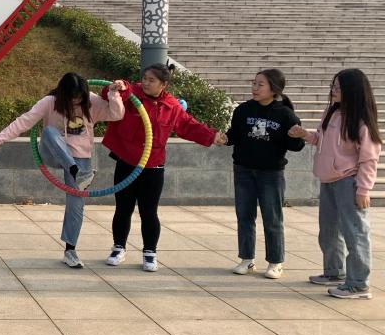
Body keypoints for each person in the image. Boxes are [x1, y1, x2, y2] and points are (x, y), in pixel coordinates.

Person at [0, 74, 126, 268]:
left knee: (76, 205)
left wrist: (114, 94)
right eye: (73, 98)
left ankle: (70, 251)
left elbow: (116, 114)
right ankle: (76, 171)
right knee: (50, 131)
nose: (76, 101)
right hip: (53, 152)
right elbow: (23, 121)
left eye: (80, 98)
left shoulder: (91, 101)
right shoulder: (49, 102)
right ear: (63, 94)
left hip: (80, 158)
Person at [102, 64, 226, 272]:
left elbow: (188, 125)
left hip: (153, 164)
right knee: (123, 208)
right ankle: (118, 247)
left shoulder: (171, 105)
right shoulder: (132, 93)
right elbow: (110, 94)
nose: (146, 83)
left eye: (151, 80)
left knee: (149, 211)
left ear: (163, 84)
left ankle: (150, 252)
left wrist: (212, 136)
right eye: (145, 78)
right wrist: (115, 87)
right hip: (128, 161)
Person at [289, 69, 381, 299]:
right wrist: (304, 134)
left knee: (355, 233)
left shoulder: (360, 121)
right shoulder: (331, 113)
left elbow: (369, 157)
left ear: (353, 91)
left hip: (348, 182)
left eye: (339, 87)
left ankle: (358, 284)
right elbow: (321, 139)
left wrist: (363, 189)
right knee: (328, 231)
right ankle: (334, 272)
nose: (333, 90)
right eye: (333, 86)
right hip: (328, 180)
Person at [225, 69, 304, 279]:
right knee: (244, 216)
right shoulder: (243, 110)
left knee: (272, 218)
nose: (255, 88)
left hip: (271, 173)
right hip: (243, 170)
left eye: (260, 84)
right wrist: (224, 138)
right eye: (254, 83)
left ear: (274, 89)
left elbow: (296, 146)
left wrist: (296, 136)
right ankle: (247, 259)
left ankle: (275, 262)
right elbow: (234, 135)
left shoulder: (285, 114)